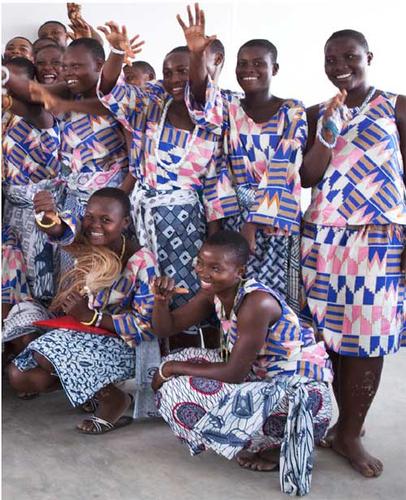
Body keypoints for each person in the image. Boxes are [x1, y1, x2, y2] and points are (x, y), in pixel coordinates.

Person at [151, 230, 332, 496]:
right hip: (261, 377)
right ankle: (255, 439)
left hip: (300, 397)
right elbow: (166, 328)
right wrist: (160, 301)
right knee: (176, 363)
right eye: (201, 262)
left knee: (177, 388)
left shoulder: (257, 303)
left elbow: (234, 372)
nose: (203, 272)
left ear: (240, 271)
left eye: (215, 268)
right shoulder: (215, 292)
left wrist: (169, 370)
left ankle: (274, 444)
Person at [300, 29, 406, 477]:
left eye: (349, 56)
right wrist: (326, 133)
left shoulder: (397, 107)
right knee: (331, 335)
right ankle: (343, 426)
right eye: (331, 58)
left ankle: (350, 432)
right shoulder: (315, 112)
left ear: (369, 57)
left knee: (368, 337)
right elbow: (306, 177)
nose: (340, 65)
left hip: (379, 238)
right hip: (323, 236)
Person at [97, 22, 235, 334]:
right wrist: (116, 51)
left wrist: (212, 237)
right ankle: (147, 354)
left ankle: (186, 350)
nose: (174, 79)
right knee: (145, 287)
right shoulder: (150, 104)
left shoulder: (215, 113)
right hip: (142, 216)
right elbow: (110, 92)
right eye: (168, 72)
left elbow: (214, 182)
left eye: (183, 71)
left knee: (182, 288)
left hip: (185, 223)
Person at [177, 4, 307, 315]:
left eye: (259, 63)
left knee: (273, 300)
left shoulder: (292, 110)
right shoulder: (228, 106)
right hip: (232, 215)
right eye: (243, 63)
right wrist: (197, 55)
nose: (250, 69)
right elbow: (202, 100)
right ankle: (234, 346)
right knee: (232, 298)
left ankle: (274, 347)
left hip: (275, 220)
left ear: (275, 69)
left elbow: (284, 166)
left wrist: (253, 222)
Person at [7, 188, 159, 434]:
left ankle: (114, 401)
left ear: (125, 222)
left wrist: (93, 318)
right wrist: (46, 217)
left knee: (47, 355)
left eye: (106, 220)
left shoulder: (142, 260)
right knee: (20, 375)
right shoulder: (86, 238)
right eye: (90, 216)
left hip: (123, 344)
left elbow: (145, 326)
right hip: (83, 332)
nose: (95, 225)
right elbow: (60, 229)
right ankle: (91, 390)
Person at [2, 57, 61, 308]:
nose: (10, 85)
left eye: (16, 80)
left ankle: (39, 325)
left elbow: (26, 108)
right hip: (13, 207)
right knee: (15, 272)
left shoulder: (41, 113)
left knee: (40, 280)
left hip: (39, 207)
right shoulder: (6, 117)